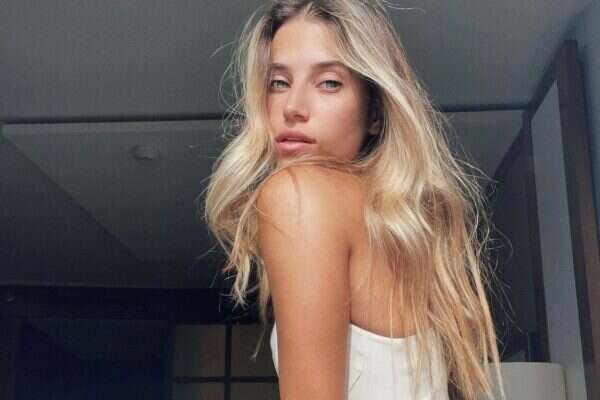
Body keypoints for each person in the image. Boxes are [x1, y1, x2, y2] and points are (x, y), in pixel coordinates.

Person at [204, 1, 506, 399]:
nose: (293, 108)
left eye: (329, 82)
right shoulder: (400, 236)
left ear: (375, 111)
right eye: (278, 82)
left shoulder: (299, 195)